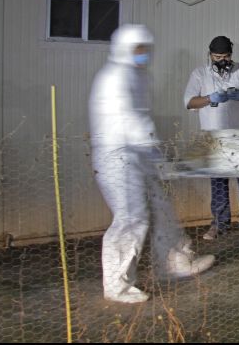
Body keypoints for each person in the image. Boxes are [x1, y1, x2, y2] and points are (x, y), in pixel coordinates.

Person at [89, 24, 215, 304]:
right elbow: (127, 119)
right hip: (116, 155)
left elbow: (144, 118)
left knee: (162, 205)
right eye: (138, 49)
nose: (143, 53)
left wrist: (155, 154)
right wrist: (156, 153)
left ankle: (178, 261)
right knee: (131, 217)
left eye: (146, 48)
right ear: (124, 49)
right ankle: (117, 285)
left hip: (141, 152)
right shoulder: (114, 77)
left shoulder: (141, 75)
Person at [184, 36, 239, 240]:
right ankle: (220, 224)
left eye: (226, 56)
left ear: (231, 54)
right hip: (214, 139)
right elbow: (189, 102)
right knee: (218, 183)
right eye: (217, 56)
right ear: (209, 55)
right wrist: (209, 98)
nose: (222, 60)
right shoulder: (200, 74)